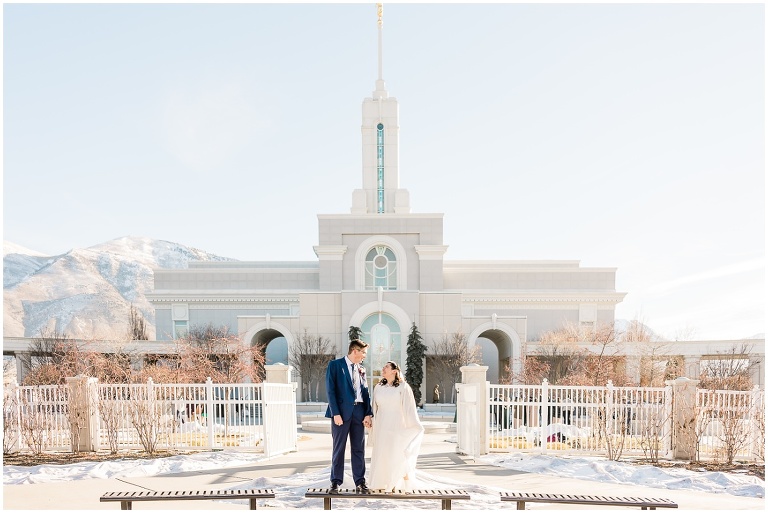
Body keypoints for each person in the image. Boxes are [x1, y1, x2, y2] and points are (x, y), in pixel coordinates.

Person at [325, 339, 373, 494]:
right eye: (363, 352)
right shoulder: (335, 365)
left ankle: (360, 482)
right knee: (339, 448)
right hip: (341, 413)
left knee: (359, 449)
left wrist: (368, 413)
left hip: (359, 412)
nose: (365, 356)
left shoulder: (362, 369)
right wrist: (335, 413)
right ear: (355, 350)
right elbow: (330, 391)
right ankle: (335, 482)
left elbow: (365, 393)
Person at [368, 361, 425, 492]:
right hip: (382, 424)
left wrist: (413, 425)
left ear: (394, 371)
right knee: (383, 453)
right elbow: (373, 408)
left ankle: (401, 483)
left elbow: (409, 408)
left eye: (386, 367)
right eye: (383, 366)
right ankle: (383, 482)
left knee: (396, 453)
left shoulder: (403, 387)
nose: (383, 368)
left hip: (397, 424)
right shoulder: (378, 387)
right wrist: (370, 420)